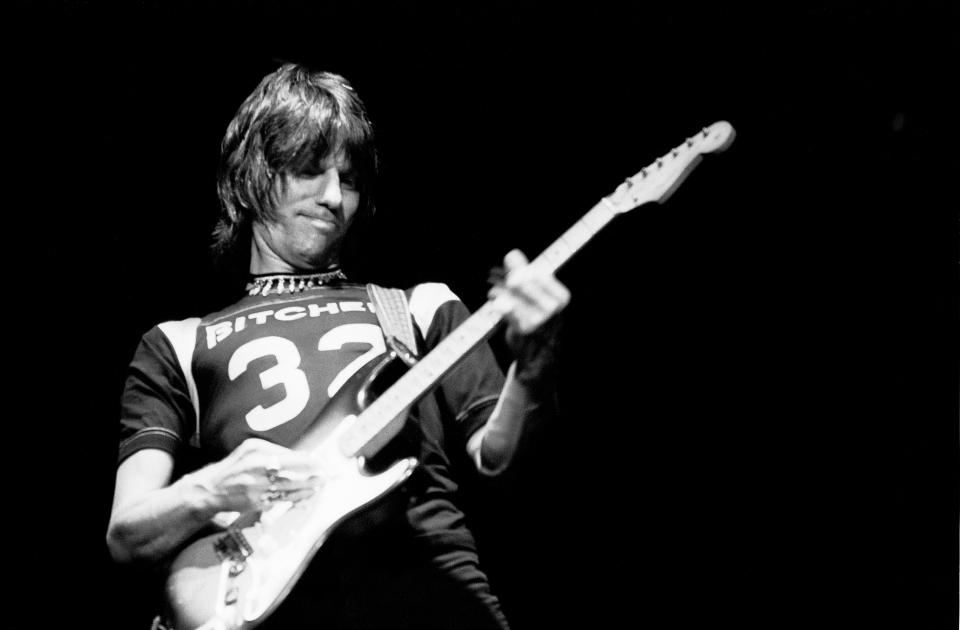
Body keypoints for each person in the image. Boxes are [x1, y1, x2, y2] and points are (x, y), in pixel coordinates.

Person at [106, 63, 569, 630]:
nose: (332, 197)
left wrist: (535, 366)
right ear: (252, 176)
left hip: (437, 605)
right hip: (269, 608)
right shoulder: (178, 343)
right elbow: (127, 535)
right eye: (308, 171)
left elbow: (500, 463)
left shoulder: (418, 307)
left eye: (349, 180)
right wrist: (211, 488)